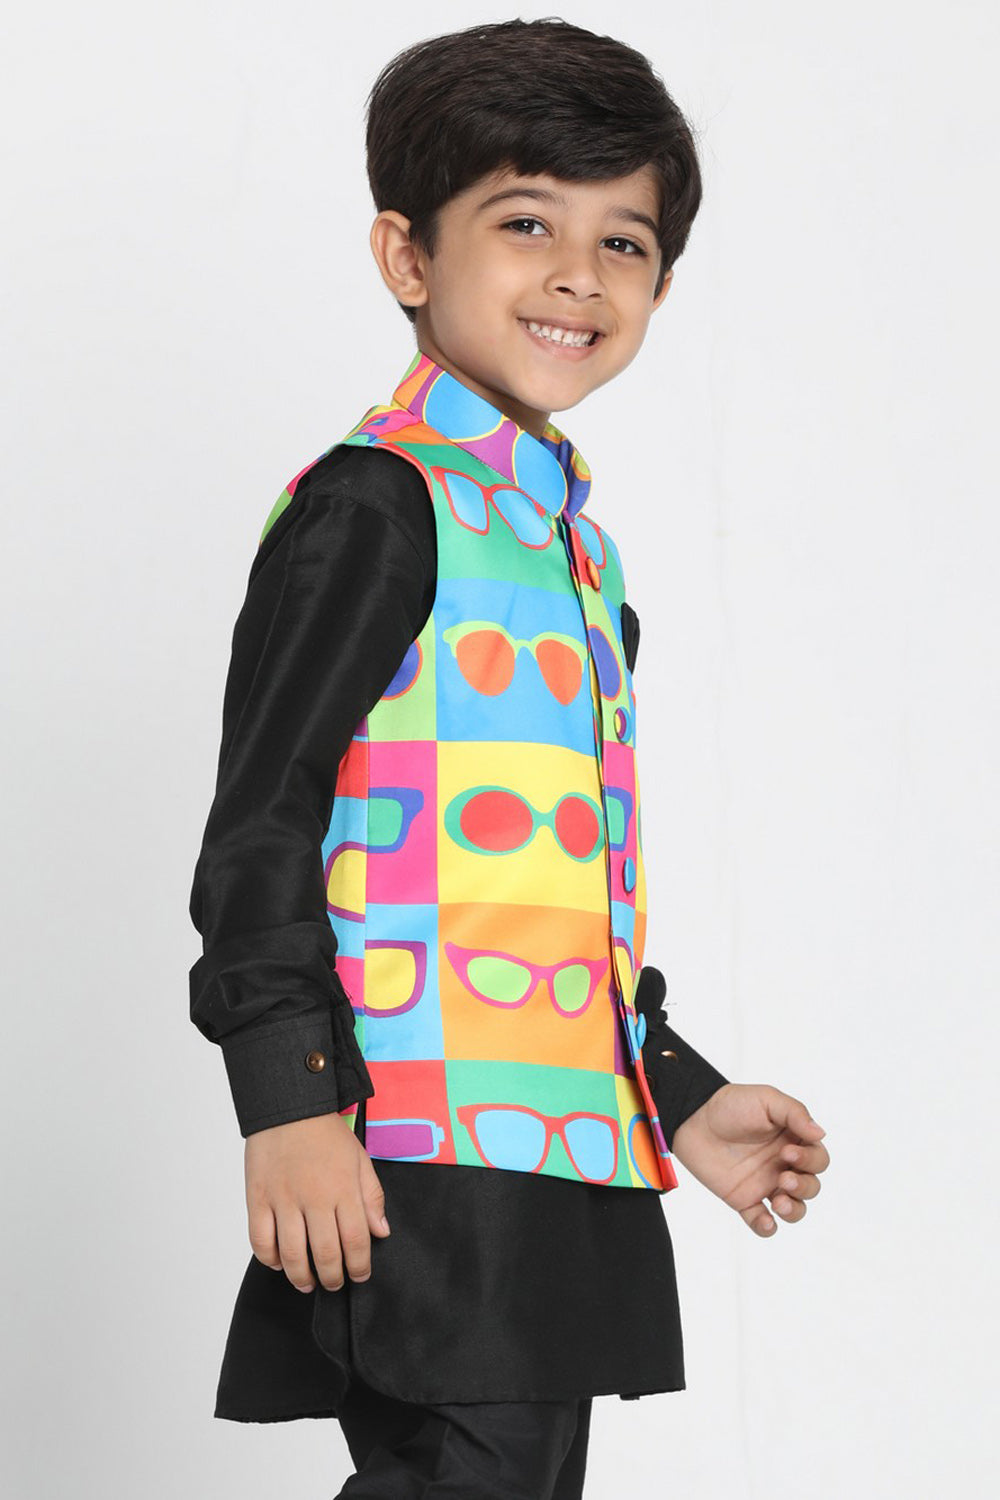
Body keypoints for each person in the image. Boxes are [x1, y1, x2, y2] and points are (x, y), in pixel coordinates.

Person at [188, 17, 830, 1498]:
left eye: (625, 243)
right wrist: (290, 1098)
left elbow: (539, 896)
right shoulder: (379, 505)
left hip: (554, 1154)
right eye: (527, 223)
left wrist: (672, 1089)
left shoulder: (570, 555)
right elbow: (262, 825)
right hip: (414, 1152)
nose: (578, 275)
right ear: (407, 255)